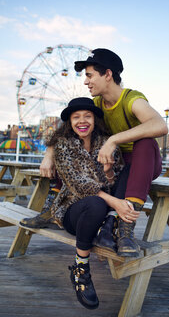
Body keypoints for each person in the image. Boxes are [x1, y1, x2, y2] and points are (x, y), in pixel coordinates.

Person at [40, 48, 168, 257]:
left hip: (142, 163)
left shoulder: (131, 100)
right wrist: (49, 154)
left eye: (90, 75)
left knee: (145, 143)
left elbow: (160, 125)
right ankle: (62, 211)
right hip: (114, 166)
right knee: (74, 155)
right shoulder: (97, 104)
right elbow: (65, 128)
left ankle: (125, 229)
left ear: (108, 74)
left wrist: (114, 139)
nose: (86, 81)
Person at [21, 97, 139, 310]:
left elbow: (117, 178)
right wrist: (117, 204)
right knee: (95, 203)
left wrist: (109, 171)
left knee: (129, 173)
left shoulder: (106, 142)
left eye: (87, 116)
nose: (82, 121)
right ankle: (81, 269)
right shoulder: (63, 145)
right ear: (70, 122)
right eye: (76, 117)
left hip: (104, 208)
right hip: (74, 210)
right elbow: (78, 184)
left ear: (95, 120)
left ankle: (109, 226)